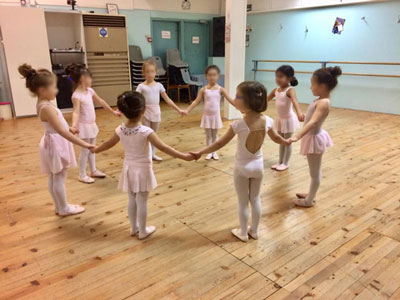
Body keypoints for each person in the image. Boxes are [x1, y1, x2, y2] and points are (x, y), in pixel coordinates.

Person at [191, 82, 290, 242]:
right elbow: (278, 138)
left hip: (242, 168)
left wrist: (200, 152)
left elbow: (218, 144)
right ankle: (255, 231)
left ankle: (243, 232)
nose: (234, 99)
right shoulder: (268, 121)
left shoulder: (238, 124)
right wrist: (288, 141)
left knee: (243, 201)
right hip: (258, 167)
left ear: (247, 101)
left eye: (237, 96)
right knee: (256, 199)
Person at [92, 91, 194, 239]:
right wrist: (184, 156)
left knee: (132, 198)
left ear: (122, 111)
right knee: (142, 200)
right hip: (143, 170)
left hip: (129, 168)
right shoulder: (146, 132)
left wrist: (96, 149)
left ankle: (134, 228)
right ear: (143, 111)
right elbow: (165, 148)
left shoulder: (120, 129)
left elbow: (108, 144)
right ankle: (143, 230)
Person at [18, 64, 93, 216]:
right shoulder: (46, 107)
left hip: (53, 140)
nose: (57, 90)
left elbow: (57, 125)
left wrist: (69, 128)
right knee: (59, 177)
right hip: (57, 143)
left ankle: (59, 207)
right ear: (42, 90)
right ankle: (63, 207)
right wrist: (85, 143)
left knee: (55, 177)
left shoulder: (44, 104)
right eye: (54, 87)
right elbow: (61, 131)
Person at [289, 66, 342, 207]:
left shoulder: (323, 102)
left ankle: (308, 200)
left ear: (323, 86)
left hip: (314, 138)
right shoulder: (321, 99)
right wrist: (305, 117)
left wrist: (297, 136)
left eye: (313, 84)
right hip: (313, 137)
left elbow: (313, 123)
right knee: (314, 170)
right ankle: (311, 194)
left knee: (314, 172)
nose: (310, 87)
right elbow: (312, 118)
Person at [66, 64, 121, 184]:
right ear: (83, 78)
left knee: (93, 149)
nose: (91, 80)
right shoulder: (76, 95)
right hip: (84, 127)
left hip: (92, 125)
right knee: (85, 150)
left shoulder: (90, 91)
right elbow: (76, 112)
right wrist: (74, 125)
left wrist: (113, 112)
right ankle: (82, 174)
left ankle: (93, 170)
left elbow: (101, 102)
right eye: (90, 77)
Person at [136, 60, 186, 161]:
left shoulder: (159, 86)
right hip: (145, 113)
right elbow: (135, 99)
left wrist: (178, 109)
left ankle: (152, 154)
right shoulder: (141, 86)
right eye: (147, 72)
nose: (150, 74)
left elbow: (168, 100)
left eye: (152, 71)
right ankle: (146, 154)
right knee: (146, 134)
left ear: (155, 73)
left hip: (156, 112)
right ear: (143, 73)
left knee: (154, 135)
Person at [184, 65, 236, 160]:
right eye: (210, 75)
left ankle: (214, 152)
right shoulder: (204, 89)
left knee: (215, 135)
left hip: (215, 116)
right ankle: (208, 152)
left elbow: (230, 99)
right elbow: (196, 101)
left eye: (214, 75)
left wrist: (239, 106)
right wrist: (188, 110)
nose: (212, 77)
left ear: (218, 76)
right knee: (208, 135)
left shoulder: (221, 89)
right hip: (207, 116)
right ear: (206, 76)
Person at [267, 65, 304, 171]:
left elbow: (295, 102)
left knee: (287, 142)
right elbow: (266, 100)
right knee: (281, 141)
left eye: (281, 76)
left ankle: (286, 163)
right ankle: (280, 161)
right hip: (280, 119)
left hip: (288, 120)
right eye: (276, 76)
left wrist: (299, 113)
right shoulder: (276, 90)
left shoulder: (290, 90)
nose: (278, 79)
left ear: (289, 78)